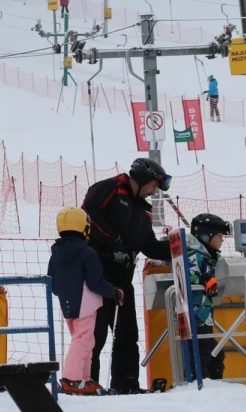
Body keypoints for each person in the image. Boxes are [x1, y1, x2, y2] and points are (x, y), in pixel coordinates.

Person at [81, 157, 172, 394]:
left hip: (122, 280)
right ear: (142, 179)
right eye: (153, 185)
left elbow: (148, 245)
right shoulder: (109, 188)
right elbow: (89, 215)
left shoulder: (143, 209)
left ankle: (126, 384)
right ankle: (86, 383)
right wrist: (113, 242)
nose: (153, 192)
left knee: (127, 334)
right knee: (96, 333)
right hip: (97, 278)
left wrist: (177, 247)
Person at [49, 207, 123, 396]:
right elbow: (95, 282)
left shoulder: (55, 255)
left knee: (86, 340)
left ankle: (83, 379)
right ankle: (72, 379)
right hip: (86, 303)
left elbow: (53, 284)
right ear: (84, 227)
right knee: (83, 340)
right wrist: (114, 292)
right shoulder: (87, 253)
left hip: (67, 304)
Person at [187, 214, 231, 381]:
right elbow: (187, 275)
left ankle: (214, 384)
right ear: (206, 236)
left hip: (206, 313)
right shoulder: (193, 255)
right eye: (219, 236)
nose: (222, 240)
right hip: (194, 313)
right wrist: (203, 278)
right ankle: (198, 384)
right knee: (201, 352)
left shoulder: (211, 256)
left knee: (215, 353)